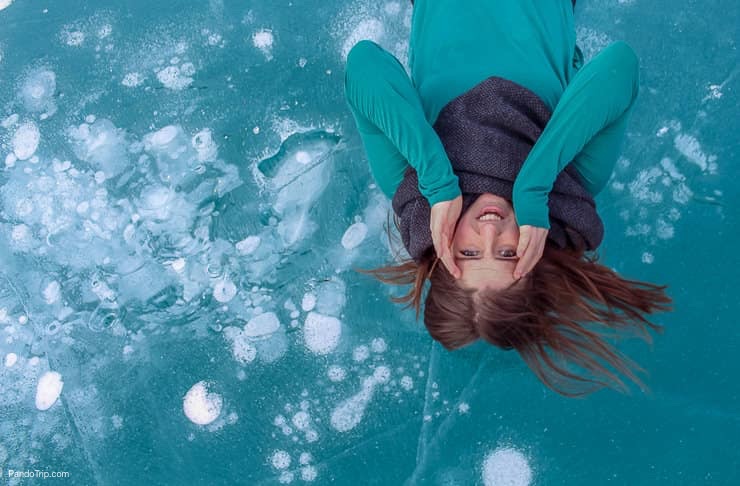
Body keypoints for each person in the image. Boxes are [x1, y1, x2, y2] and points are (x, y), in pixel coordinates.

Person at [343, 0, 672, 396]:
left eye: (468, 253)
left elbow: (364, 65)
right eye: (506, 254)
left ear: (442, 247)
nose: (490, 230)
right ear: (535, 253)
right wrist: (534, 184)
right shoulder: (573, 182)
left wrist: (438, 180)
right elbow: (620, 65)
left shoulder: (411, 181)